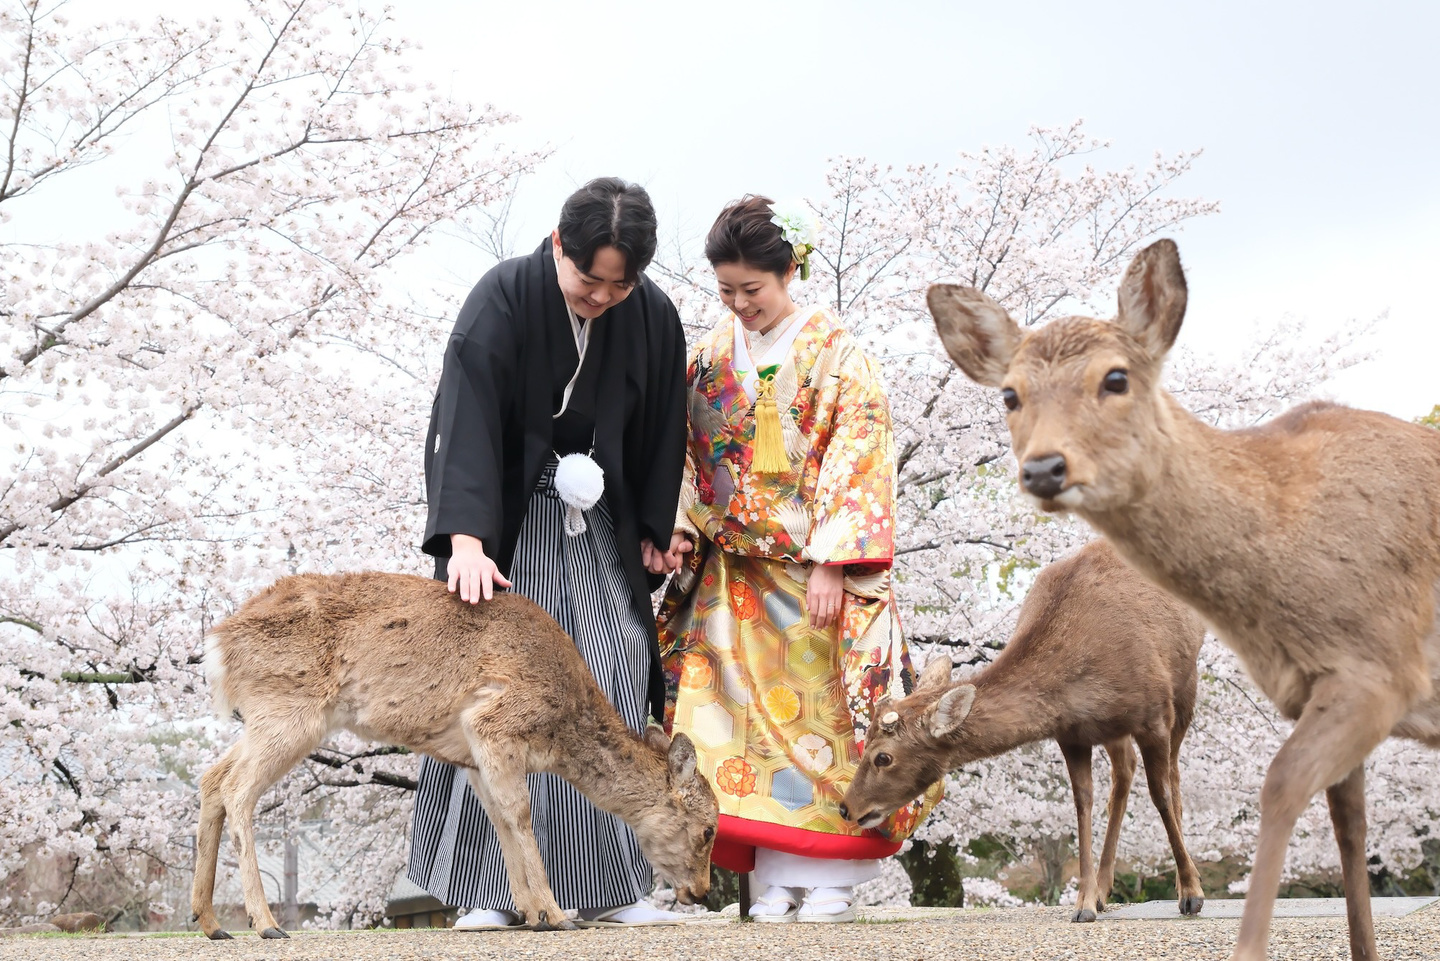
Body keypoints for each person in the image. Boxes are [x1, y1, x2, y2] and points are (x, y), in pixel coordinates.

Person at [409, 177, 691, 929]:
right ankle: (488, 889)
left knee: (617, 666)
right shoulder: (502, 296)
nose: (601, 296)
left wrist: (660, 527)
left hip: (596, 518)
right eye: (587, 278)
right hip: (508, 526)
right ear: (558, 244)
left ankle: (613, 884)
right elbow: (462, 414)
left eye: (619, 284)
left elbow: (663, 426)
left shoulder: (653, 315)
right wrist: (466, 539)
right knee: (497, 698)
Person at [656, 196, 941, 923]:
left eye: (753, 288)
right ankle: (779, 874)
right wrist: (684, 521)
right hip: (736, 573)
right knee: (742, 727)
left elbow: (860, 454)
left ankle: (835, 878)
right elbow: (684, 448)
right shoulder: (712, 355)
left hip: (814, 572)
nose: (740, 303)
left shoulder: (840, 355)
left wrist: (834, 562)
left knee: (830, 720)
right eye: (727, 291)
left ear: (791, 272)